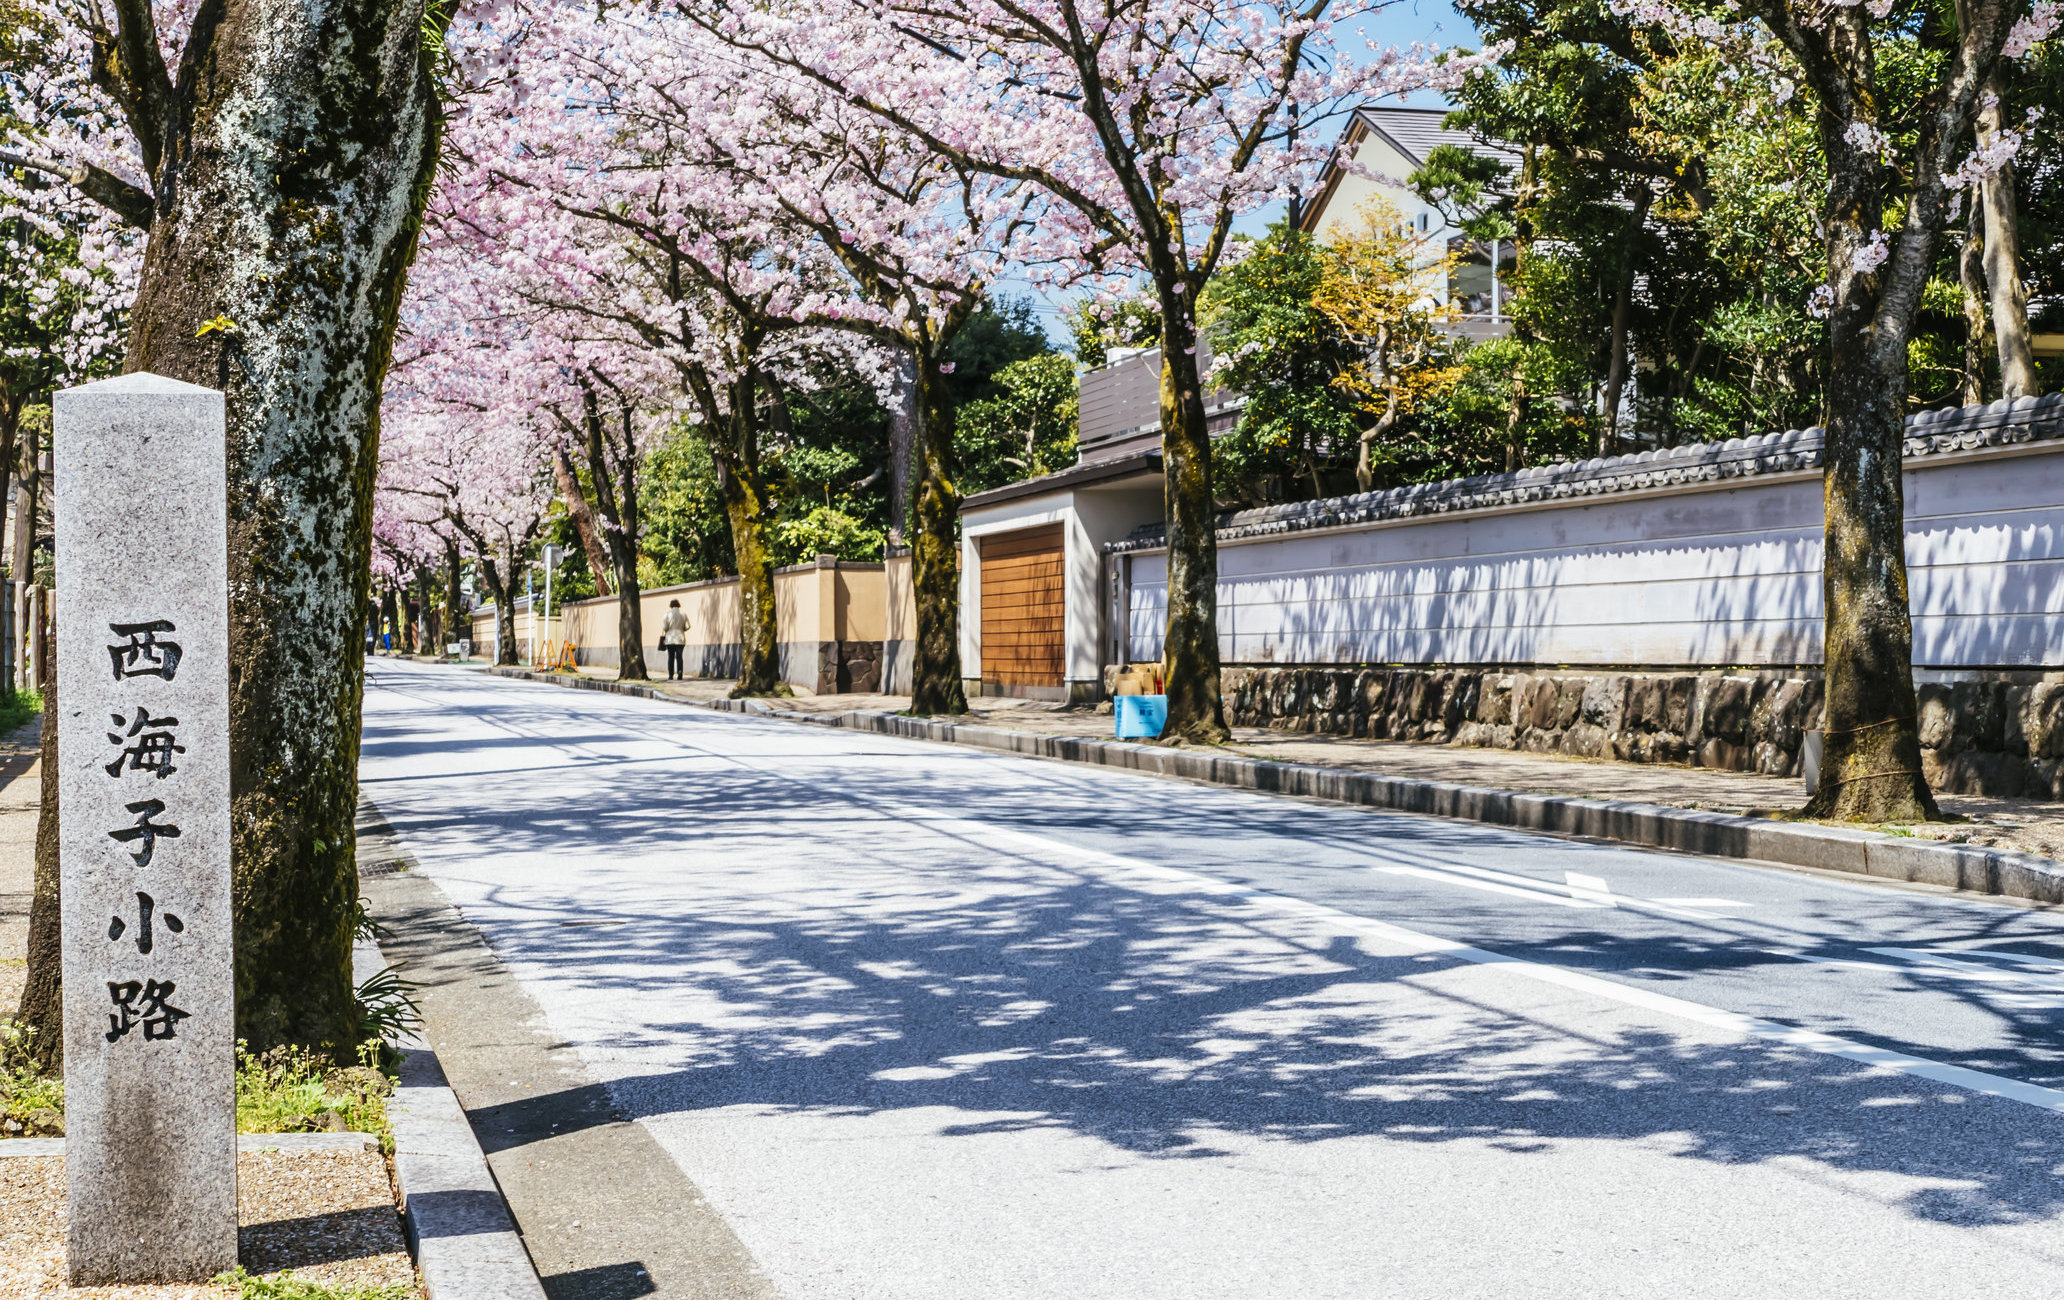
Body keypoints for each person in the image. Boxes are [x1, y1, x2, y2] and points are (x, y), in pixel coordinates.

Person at [661, 598, 688, 679]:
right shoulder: (683, 614)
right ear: (678, 605)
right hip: (680, 638)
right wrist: (682, 629)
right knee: (679, 657)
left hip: (670, 639)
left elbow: (665, 627)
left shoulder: (667, 614)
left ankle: (670, 675)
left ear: (671, 605)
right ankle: (680, 674)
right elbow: (688, 626)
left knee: (671, 657)